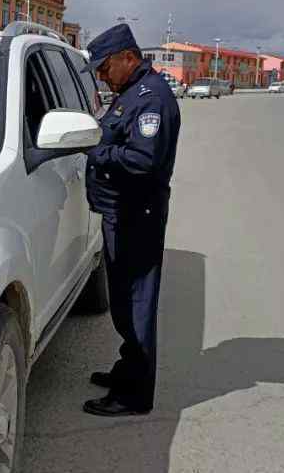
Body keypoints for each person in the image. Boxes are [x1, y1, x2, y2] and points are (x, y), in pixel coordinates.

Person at [82, 23, 181, 417]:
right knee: (124, 302)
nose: (103, 77)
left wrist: (96, 151)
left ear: (128, 57)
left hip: (136, 216)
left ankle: (134, 395)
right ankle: (127, 371)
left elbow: (142, 161)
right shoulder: (131, 93)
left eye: (105, 68)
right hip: (122, 213)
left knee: (136, 304)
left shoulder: (150, 99)